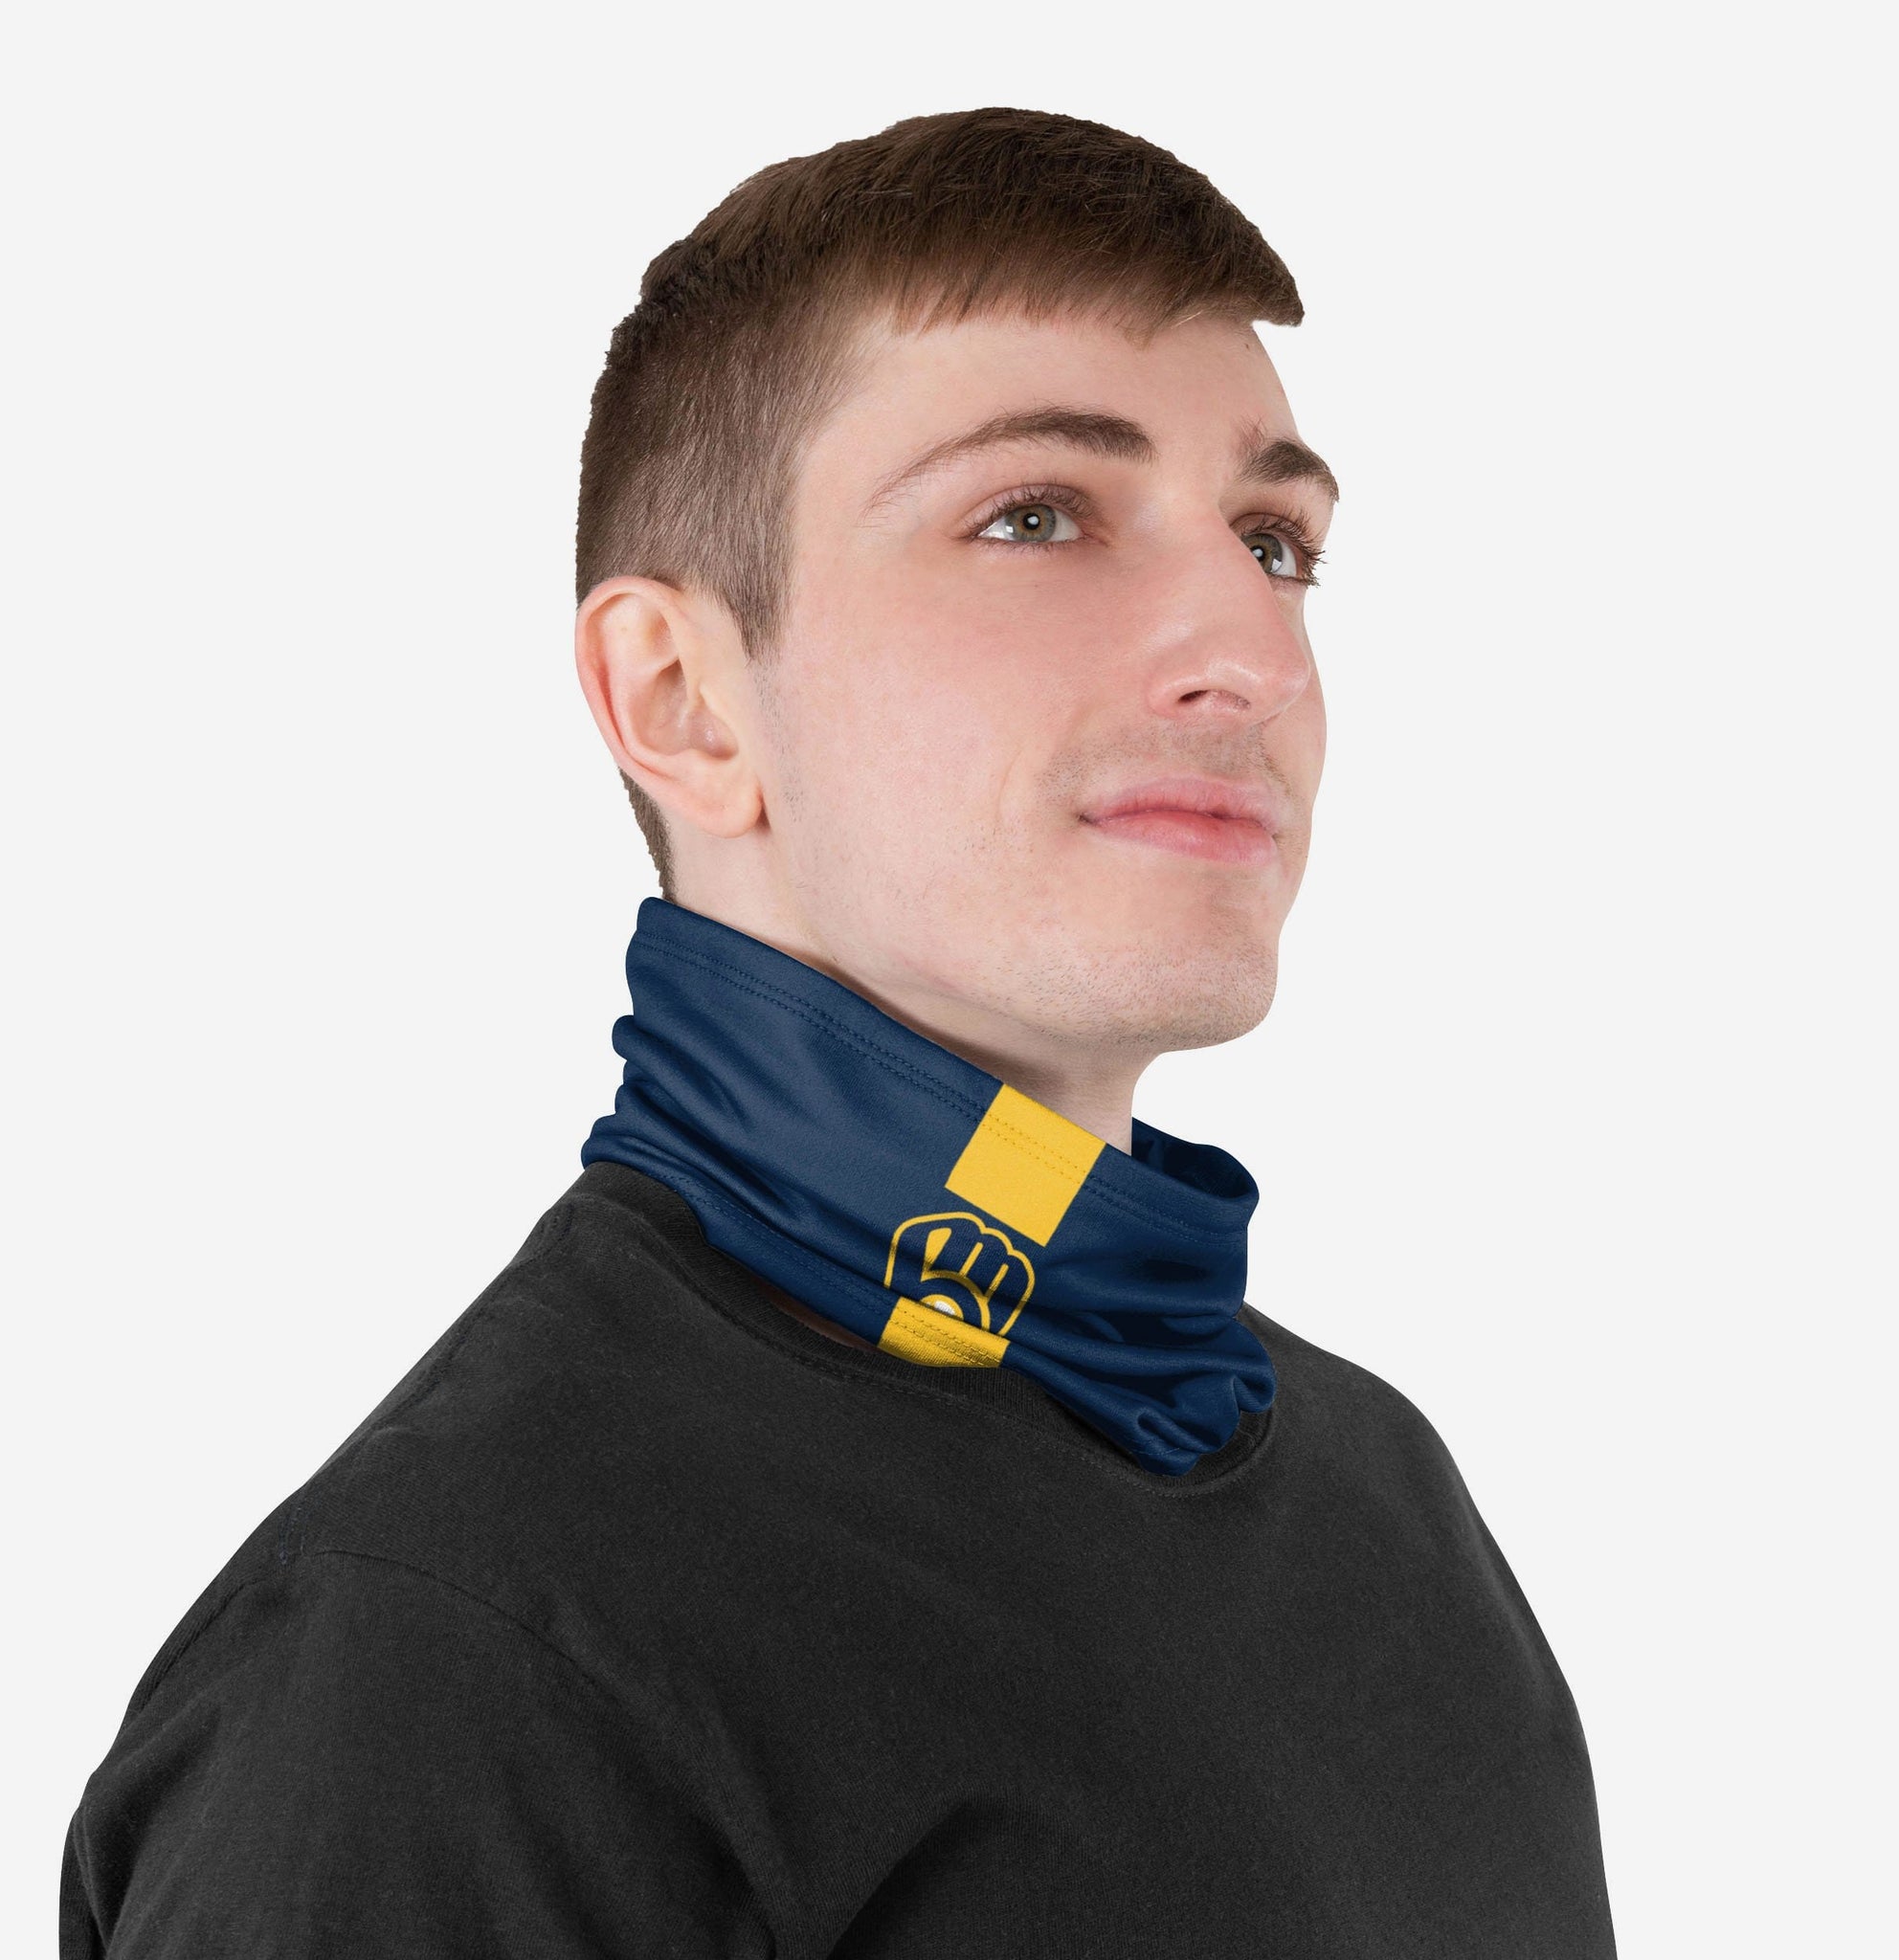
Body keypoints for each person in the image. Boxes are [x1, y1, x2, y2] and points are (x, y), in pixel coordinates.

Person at [59, 106, 1618, 1957]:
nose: (1254, 658)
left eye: (1277, 544)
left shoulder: (1383, 1505)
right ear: (683, 699)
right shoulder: (450, 1664)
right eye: (1035, 516)